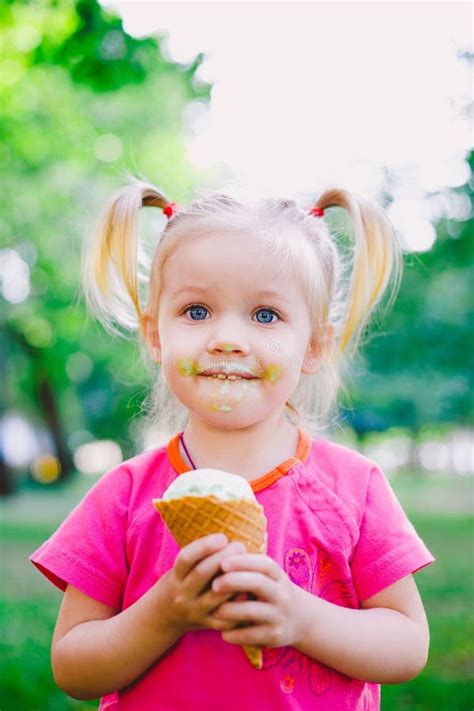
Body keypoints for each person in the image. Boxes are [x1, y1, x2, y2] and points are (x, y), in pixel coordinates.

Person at [30, 178, 434, 710]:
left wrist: (301, 618)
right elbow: (73, 669)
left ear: (313, 345)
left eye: (265, 315)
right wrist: (165, 613)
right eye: (196, 311)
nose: (227, 338)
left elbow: (407, 646)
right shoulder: (125, 495)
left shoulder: (352, 488)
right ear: (155, 334)